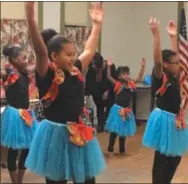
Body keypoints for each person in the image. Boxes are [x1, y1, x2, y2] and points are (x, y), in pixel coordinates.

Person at [24, 2, 106, 184]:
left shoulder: (75, 69)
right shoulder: (46, 74)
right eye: (67, 55)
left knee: (86, 179)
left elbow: (90, 50)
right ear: (54, 56)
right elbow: (40, 51)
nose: (72, 58)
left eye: (73, 54)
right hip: (55, 135)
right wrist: (30, 16)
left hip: (78, 130)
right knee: (56, 180)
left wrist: (97, 25)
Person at [142, 17, 188, 184]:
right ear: (166, 64)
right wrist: (156, 34)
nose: (179, 65)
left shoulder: (174, 75)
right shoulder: (159, 75)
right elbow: (157, 60)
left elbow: (175, 56)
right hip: (164, 119)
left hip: (175, 119)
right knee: (162, 157)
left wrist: (172, 37)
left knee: (175, 157)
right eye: (175, 63)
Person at [0, 45, 38, 183]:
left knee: (27, 148)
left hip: (26, 114)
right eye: (24, 58)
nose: (26, 60)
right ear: (15, 59)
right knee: (14, 150)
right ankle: (14, 181)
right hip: (14, 116)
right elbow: (3, 73)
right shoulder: (9, 73)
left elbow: (36, 67)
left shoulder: (24, 73)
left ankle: (20, 180)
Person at [105, 58, 145, 157]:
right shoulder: (118, 84)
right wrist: (109, 66)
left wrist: (142, 67)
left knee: (123, 132)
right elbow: (109, 77)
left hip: (126, 111)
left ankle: (122, 151)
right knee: (114, 131)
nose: (126, 76)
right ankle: (110, 149)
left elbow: (139, 78)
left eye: (127, 74)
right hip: (117, 110)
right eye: (123, 74)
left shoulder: (131, 84)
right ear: (119, 76)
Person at [85, 53, 117, 132]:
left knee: (110, 109)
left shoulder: (110, 67)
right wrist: (86, 94)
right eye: (92, 64)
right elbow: (89, 82)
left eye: (95, 65)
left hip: (109, 92)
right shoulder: (92, 69)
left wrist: (108, 91)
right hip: (97, 93)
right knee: (99, 109)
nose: (93, 67)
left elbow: (114, 81)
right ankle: (100, 125)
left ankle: (109, 126)